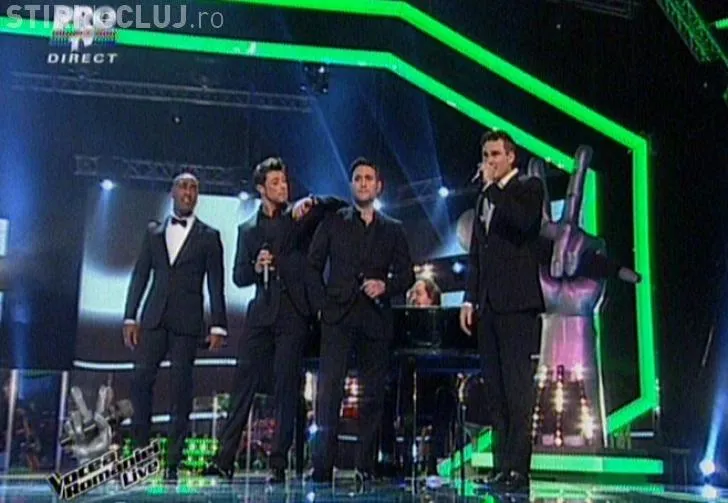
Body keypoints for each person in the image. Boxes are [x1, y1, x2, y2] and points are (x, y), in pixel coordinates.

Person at [205, 157, 346, 483]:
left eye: (284, 182)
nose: (283, 187)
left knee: (286, 387)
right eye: (275, 183)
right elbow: (239, 276)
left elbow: (337, 205)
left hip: (293, 313)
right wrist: (256, 268)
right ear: (261, 189)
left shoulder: (299, 219)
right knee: (243, 384)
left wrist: (312, 201)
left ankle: (278, 463)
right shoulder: (248, 230)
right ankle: (224, 459)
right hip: (261, 312)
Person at [306, 157, 414, 484]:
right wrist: (321, 306)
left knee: (372, 395)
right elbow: (312, 267)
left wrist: (386, 286)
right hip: (337, 317)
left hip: (375, 318)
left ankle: (365, 466)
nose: (363, 183)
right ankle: (322, 466)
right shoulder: (332, 222)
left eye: (368, 178)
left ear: (378, 186)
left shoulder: (393, 228)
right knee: (329, 393)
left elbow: (407, 275)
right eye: (357, 178)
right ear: (351, 185)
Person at [123, 172, 227, 481]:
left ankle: (172, 461)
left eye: (193, 188)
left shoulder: (209, 236)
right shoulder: (153, 232)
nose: (188, 192)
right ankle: (140, 453)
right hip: (154, 318)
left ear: (197, 196)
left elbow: (216, 283)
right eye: (183, 186)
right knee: (140, 380)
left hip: (187, 322)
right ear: (173, 192)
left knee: (181, 390)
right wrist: (130, 316)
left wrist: (218, 325)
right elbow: (140, 274)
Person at [459, 131, 544, 492]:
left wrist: (494, 190)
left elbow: (524, 223)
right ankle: (500, 468)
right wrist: (469, 298)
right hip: (489, 306)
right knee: (495, 391)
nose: (489, 160)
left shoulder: (528, 188)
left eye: (495, 154)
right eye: (485, 154)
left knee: (517, 389)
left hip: (518, 305)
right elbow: (477, 254)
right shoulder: (483, 199)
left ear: (511, 157)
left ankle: (518, 470)